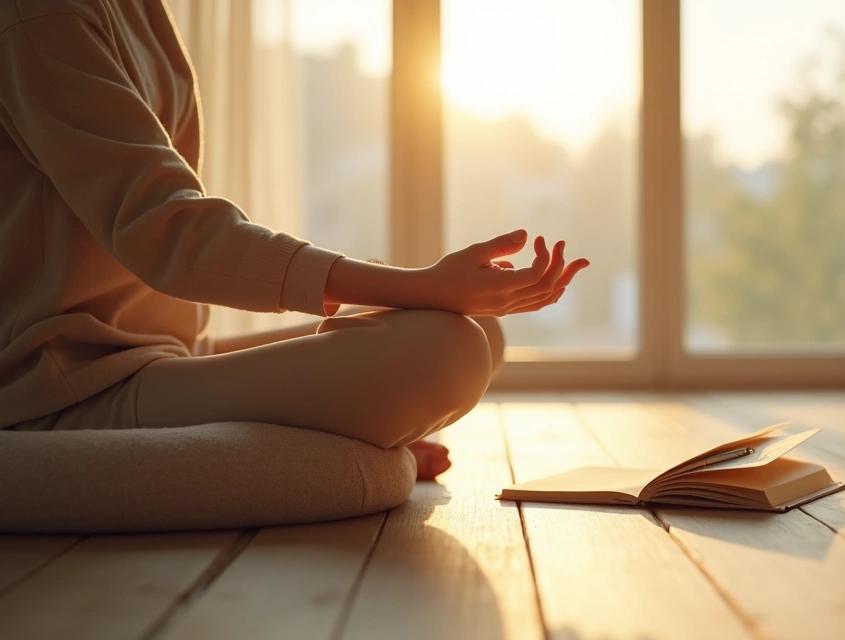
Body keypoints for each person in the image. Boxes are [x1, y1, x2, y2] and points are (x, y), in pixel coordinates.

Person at [0, 0, 589, 480]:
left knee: (482, 332)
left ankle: (367, 423)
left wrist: (421, 292)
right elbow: (169, 229)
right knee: (447, 353)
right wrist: (418, 284)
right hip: (73, 384)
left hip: (173, 355)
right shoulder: (38, 17)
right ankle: (372, 429)